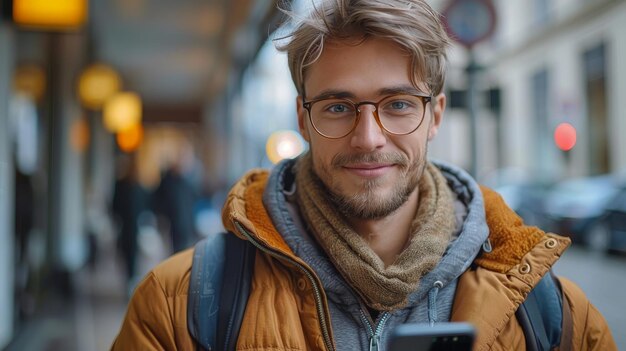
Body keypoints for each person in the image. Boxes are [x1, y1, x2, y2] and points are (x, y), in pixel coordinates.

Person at [112, 0, 616, 350]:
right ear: (303, 118)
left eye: (398, 104)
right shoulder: (179, 304)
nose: (369, 137)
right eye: (337, 107)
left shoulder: (550, 311)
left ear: (436, 116)